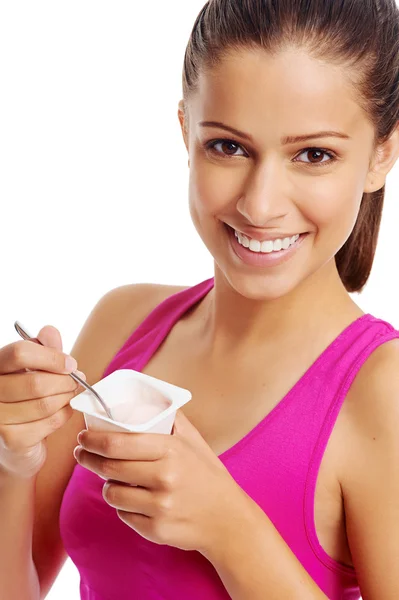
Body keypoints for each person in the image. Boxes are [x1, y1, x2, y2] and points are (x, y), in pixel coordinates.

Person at [1, 0, 399, 598]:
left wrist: (231, 531)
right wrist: (13, 461)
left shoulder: (383, 393)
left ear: (381, 155)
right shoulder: (122, 322)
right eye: (228, 147)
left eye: (314, 155)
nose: (261, 205)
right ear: (186, 129)